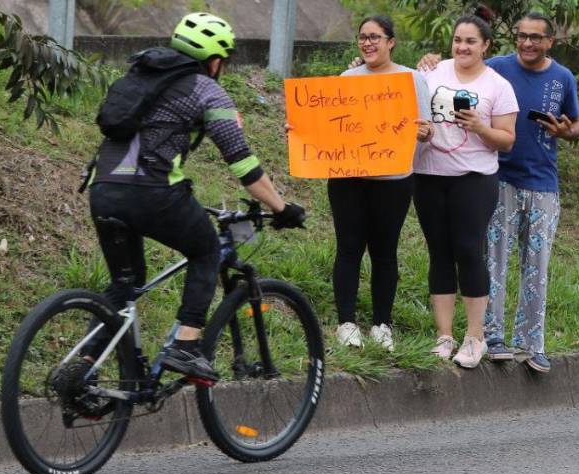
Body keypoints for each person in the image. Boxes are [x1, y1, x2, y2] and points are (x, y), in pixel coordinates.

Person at [85, 12, 306, 381]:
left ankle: (84, 365)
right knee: (206, 250)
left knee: (125, 284)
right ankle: (185, 346)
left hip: (103, 190)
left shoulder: (139, 78)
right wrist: (282, 208)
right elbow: (243, 165)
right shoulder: (206, 89)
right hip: (152, 192)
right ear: (215, 60)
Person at [420, 12, 579, 373]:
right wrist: (429, 60)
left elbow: (576, 126)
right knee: (490, 258)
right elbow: (447, 69)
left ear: (549, 42)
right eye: (522, 36)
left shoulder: (560, 78)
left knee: (534, 266)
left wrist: (566, 131)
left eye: (535, 38)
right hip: (496, 180)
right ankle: (489, 337)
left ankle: (530, 343)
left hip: (538, 180)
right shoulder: (489, 68)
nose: (527, 43)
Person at [412, 14, 518, 369]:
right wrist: (422, 132)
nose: (462, 47)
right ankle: (444, 335)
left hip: (474, 179)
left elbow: (506, 140)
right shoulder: (431, 73)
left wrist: (480, 127)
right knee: (439, 252)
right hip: (428, 175)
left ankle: (476, 337)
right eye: (458, 40)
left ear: (486, 46)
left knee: (468, 251)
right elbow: (410, 113)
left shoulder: (498, 85)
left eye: (471, 41)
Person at [324, 15, 431, 352]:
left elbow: (426, 132)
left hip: (394, 181)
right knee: (349, 248)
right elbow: (330, 126)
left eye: (374, 37)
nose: (367, 43)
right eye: (362, 37)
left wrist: (424, 132)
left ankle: (382, 324)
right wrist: (301, 131)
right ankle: (346, 322)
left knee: (385, 251)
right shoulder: (347, 78)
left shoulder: (411, 79)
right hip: (348, 180)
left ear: (391, 41)